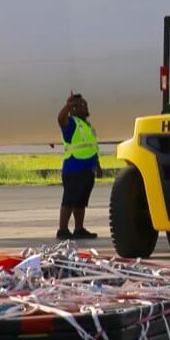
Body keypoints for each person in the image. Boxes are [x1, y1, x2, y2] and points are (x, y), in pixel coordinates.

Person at [55, 92, 100, 241]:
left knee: (81, 201)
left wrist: (98, 166)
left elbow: (93, 147)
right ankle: (62, 230)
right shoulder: (71, 123)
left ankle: (79, 229)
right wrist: (67, 106)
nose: (85, 107)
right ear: (74, 109)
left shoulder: (87, 126)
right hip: (73, 168)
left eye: (86, 104)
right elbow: (60, 120)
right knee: (69, 200)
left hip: (87, 169)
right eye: (82, 105)